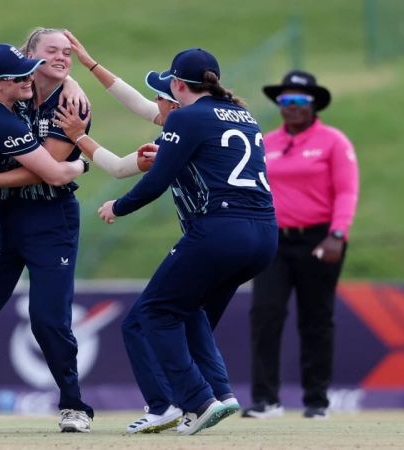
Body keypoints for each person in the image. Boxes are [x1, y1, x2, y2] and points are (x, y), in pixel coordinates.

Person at [55, 31, 242, 434]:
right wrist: (89, 63)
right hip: (253, 235)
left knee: (145, 319)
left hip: (213, 234)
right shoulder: (222, 118)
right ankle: (219, 392)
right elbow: (138, 110)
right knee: (187, 314)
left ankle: (171, 405)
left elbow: (126, 171)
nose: (152, 104)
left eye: (161, 95)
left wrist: (78, 140)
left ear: (177, 96)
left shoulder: (185, 125)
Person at [97, 48, 278, 436]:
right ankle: (220, 392)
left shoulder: (187, 116)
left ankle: (197, 400)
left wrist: (118, 206)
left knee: (154, 314)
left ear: (178, 85)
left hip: (220, 230)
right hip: (264, 235)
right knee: (189, 310)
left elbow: (156, 182)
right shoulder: (245, 116)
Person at [0, 27, 95, 433]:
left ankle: (73, 405)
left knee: (48, 318)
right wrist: (80, 166)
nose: (63, 58)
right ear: (30, 57)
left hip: (51, 219)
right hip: (6, 219)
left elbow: (44, 173)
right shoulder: (16, 91)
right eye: (53, 51)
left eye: (68, 52)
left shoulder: (73, 104)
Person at [242, 70, 359, 420]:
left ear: (313, 105)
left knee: (316, 318)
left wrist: (338, 234)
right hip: (273, 240)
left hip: (320, 239)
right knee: (264, 313)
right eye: (285, 100)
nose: (291, 107)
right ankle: (266, 400)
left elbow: (347, 190)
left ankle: (317, 400)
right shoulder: (267, 142)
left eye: (299, 101)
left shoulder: (333, 142)